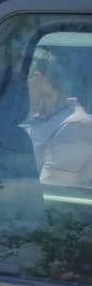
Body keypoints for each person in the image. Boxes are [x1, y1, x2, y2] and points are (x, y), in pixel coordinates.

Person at [26, 49, 92, 187]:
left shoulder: (75, 126)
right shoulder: (36, 118)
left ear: (36, 80)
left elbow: (49, 191)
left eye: (18, 82)